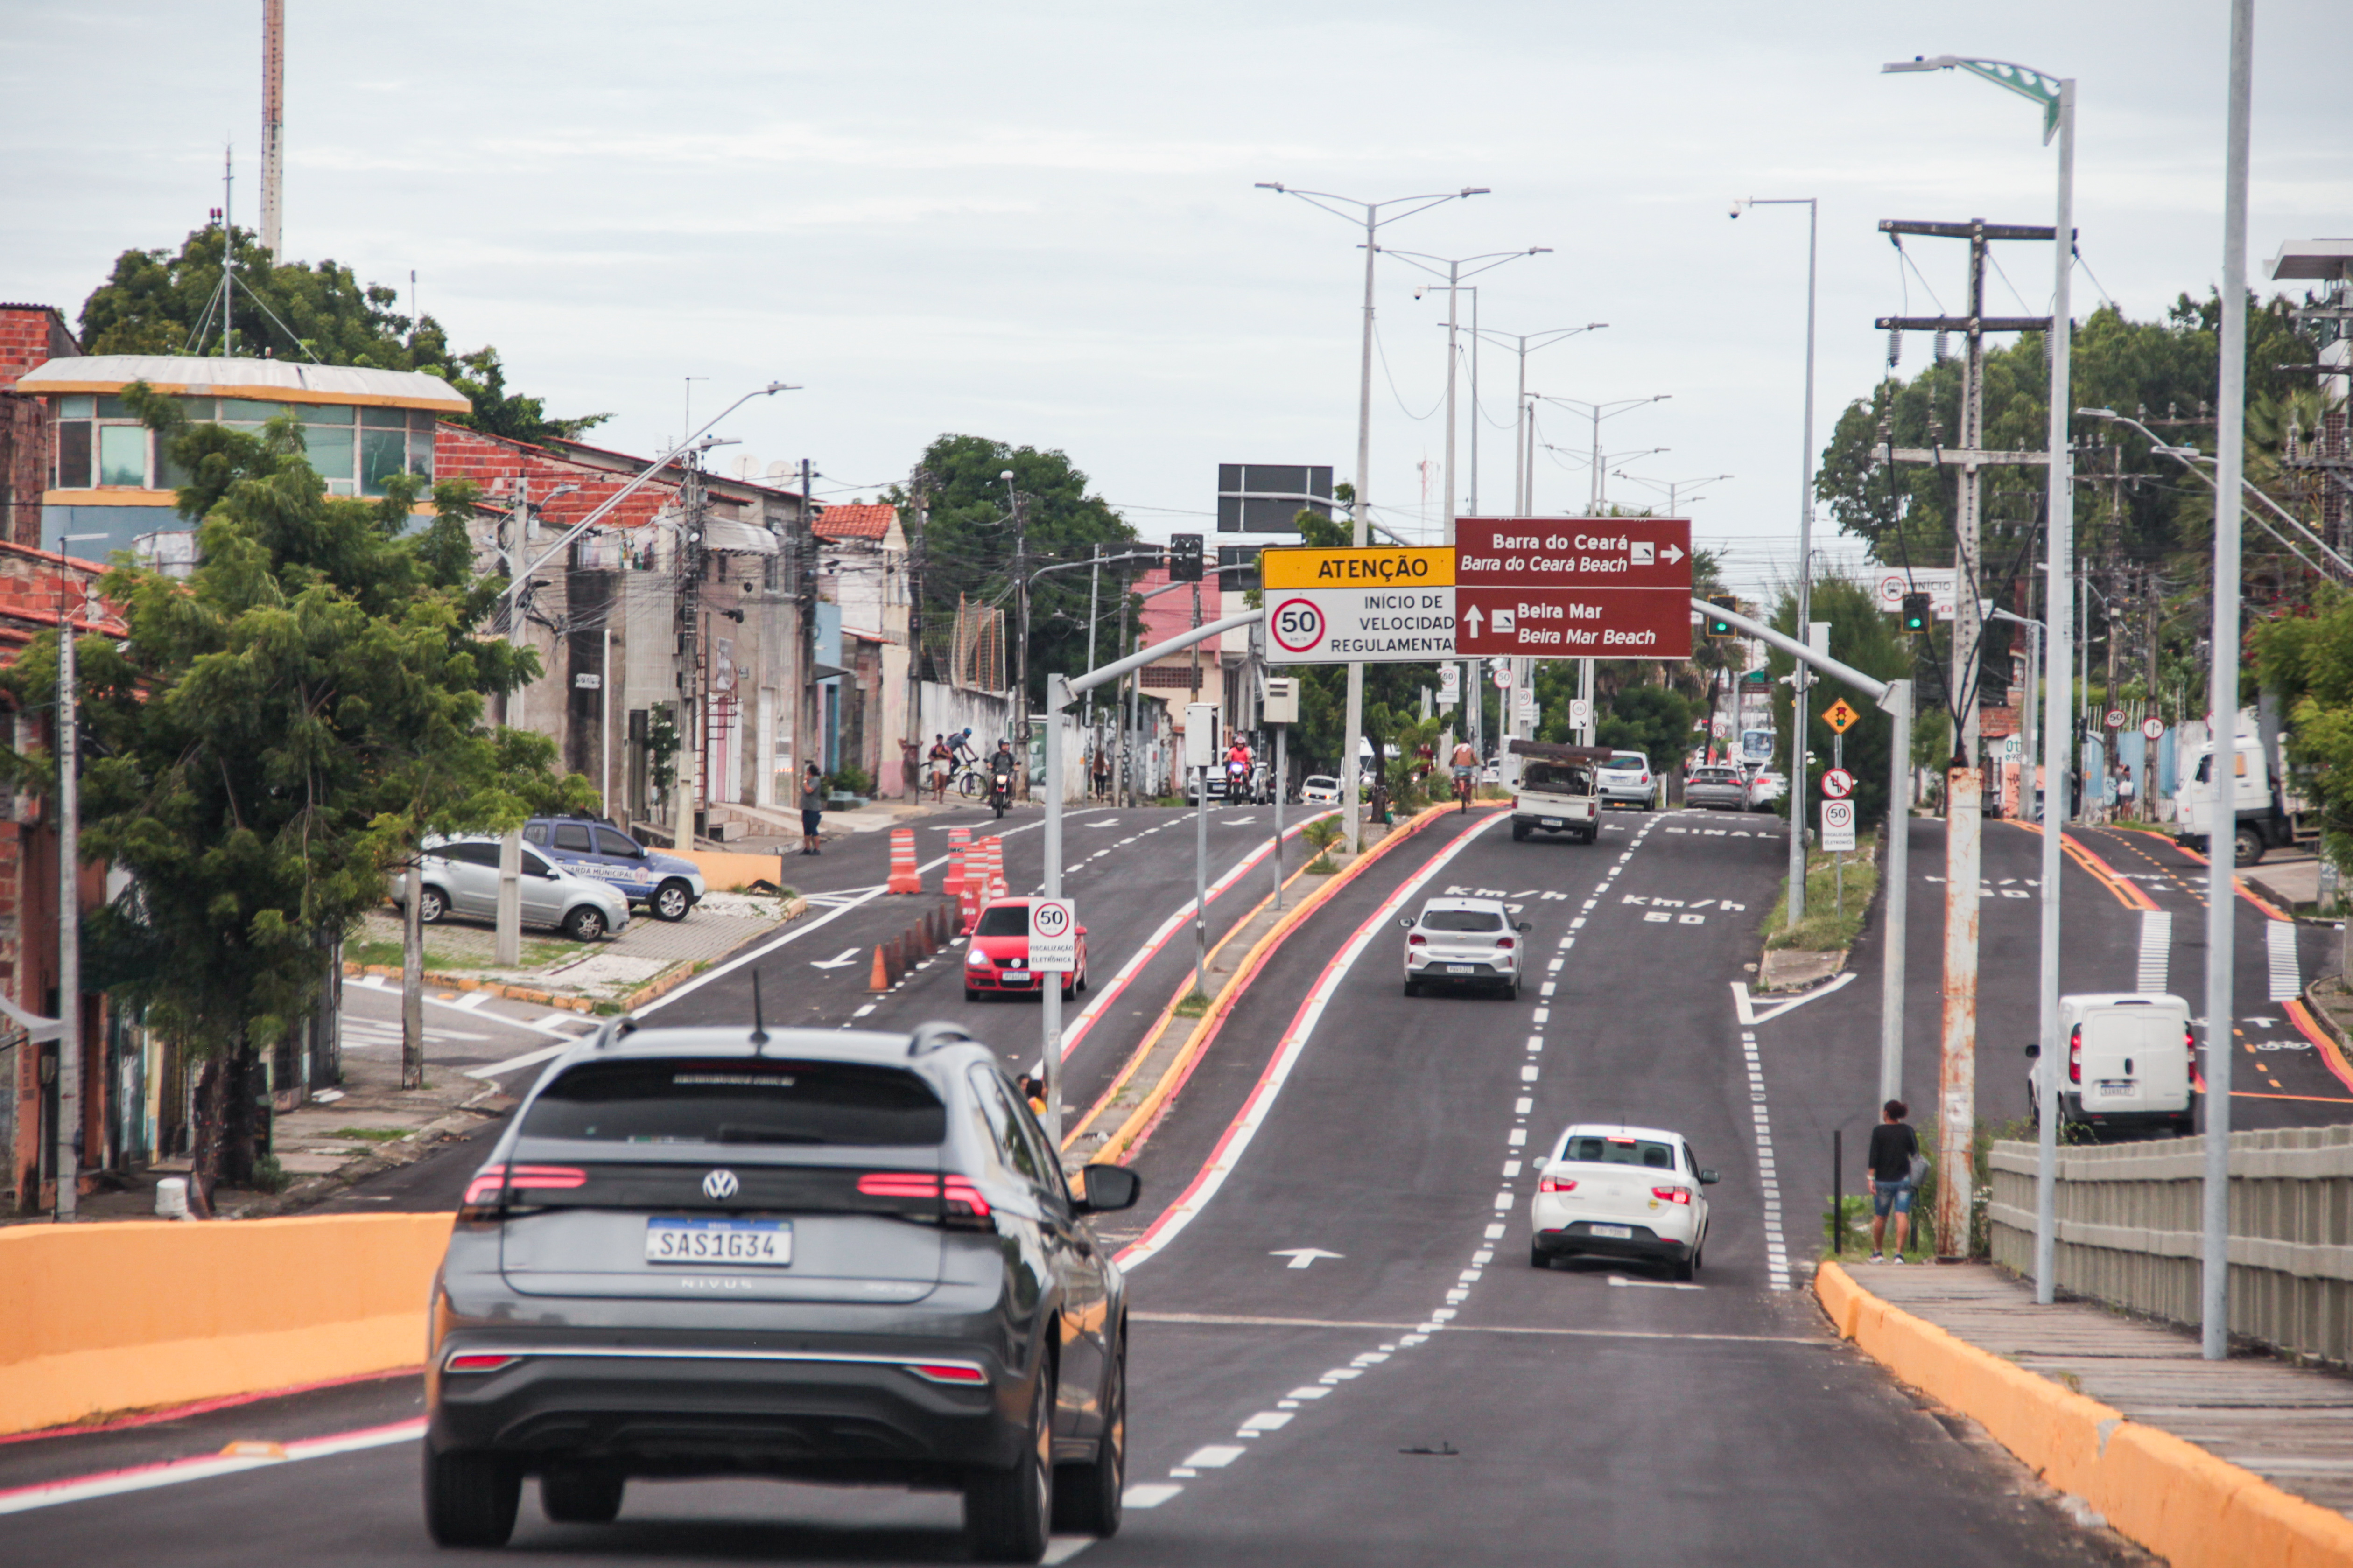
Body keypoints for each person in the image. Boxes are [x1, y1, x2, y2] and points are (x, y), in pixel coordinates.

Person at [1866, 1099, 1921, 1262]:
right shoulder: (1908, 1130)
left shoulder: (1879, 1131)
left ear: (1886, 1114)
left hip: (1883, 1180)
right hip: (1904, 1179)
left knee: (1881, 1217)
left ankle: (1877, 1253)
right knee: (1902, 1215)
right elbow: (1916, 1154)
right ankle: (1899, 1255)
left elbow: (1874, 1156)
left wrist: (1871, 1178)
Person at [798, 763, 825, 856]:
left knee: (813, 828)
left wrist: (805, 782)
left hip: (814, 809)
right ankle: (807, 848)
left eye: (808, 770)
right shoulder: (810, 780)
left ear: (811, 771)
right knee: (806, 829)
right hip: (806, 808)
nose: (806, 772)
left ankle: (817, 849)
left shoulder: (816, 780)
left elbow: (809, 790)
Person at [1449, 738, 1480, 811]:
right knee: (1469, 783)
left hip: (1459, 768)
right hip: (1468, 769)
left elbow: (1453, 759)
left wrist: (1451, 764)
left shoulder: (1458, 749)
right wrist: (1476, 764)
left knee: (1456, 778)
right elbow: (1475, 760)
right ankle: (1469, 798)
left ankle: (1456, 788)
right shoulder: (1470, 749)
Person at [927, 734, 953, 804]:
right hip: (936, 763)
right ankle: (935, 796)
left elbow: (951, 756)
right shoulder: (933, 748)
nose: (940, 741)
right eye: (938, 740)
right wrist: (931, 758)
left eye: (941, 740)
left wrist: (944, 754)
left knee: (942, 783)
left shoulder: (946, 748)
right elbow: (929, 756)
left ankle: (941, 798)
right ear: (937, 740)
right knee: (935, 780)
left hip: (944, 764)